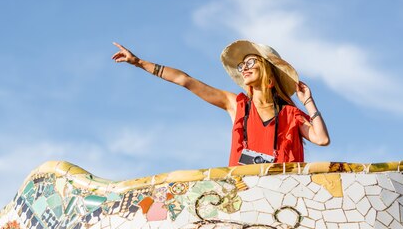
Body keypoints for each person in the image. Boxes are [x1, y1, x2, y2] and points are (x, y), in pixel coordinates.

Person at [112, 40, 330, 165]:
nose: (244, 67)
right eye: (241, 65)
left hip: (282, 196)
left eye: (251, 62)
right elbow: (185, 80)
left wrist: (308, 102)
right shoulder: (236, 104)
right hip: (243, 191)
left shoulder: (290, 114)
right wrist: (139, 62)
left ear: (268, 74)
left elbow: (321, 139)